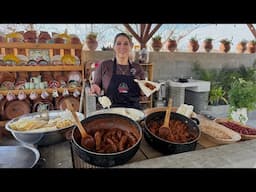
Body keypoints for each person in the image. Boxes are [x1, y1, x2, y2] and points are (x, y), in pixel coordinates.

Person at [90, 32, 145, 109]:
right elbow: (96, 85)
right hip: (111, 112)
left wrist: (146, 91)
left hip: (133, 112)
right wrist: (95, 88)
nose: (122, 46)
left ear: (131, 46)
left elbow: (143, 92)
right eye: (118, 43)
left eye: (126, 44)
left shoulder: (138, 67)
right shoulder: (104, 65)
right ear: (114, 47)